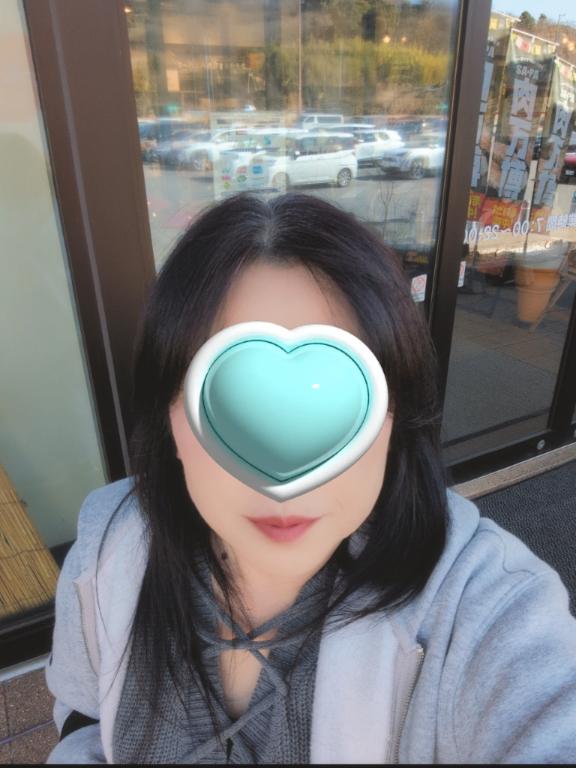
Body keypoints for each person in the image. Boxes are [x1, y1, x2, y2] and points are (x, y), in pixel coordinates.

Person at [46, 193, 576, 764]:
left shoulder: (486, 607)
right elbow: (84, 717)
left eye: (336, 402)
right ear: (169, 417)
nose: (287, 476)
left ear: (394, 417)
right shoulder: (107, 546)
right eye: (237, 401)